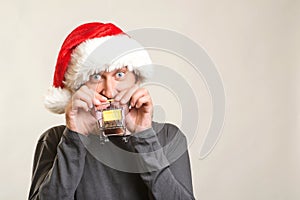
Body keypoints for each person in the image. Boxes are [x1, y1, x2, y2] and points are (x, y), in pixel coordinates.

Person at [29, 22, 195, 200]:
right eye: (96, 76)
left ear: (136, 79)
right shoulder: (53, 140)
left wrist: (144, 136)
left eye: (120, 75)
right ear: (79, 86)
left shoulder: (169, 137)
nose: (109, 91)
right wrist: (74, 137)